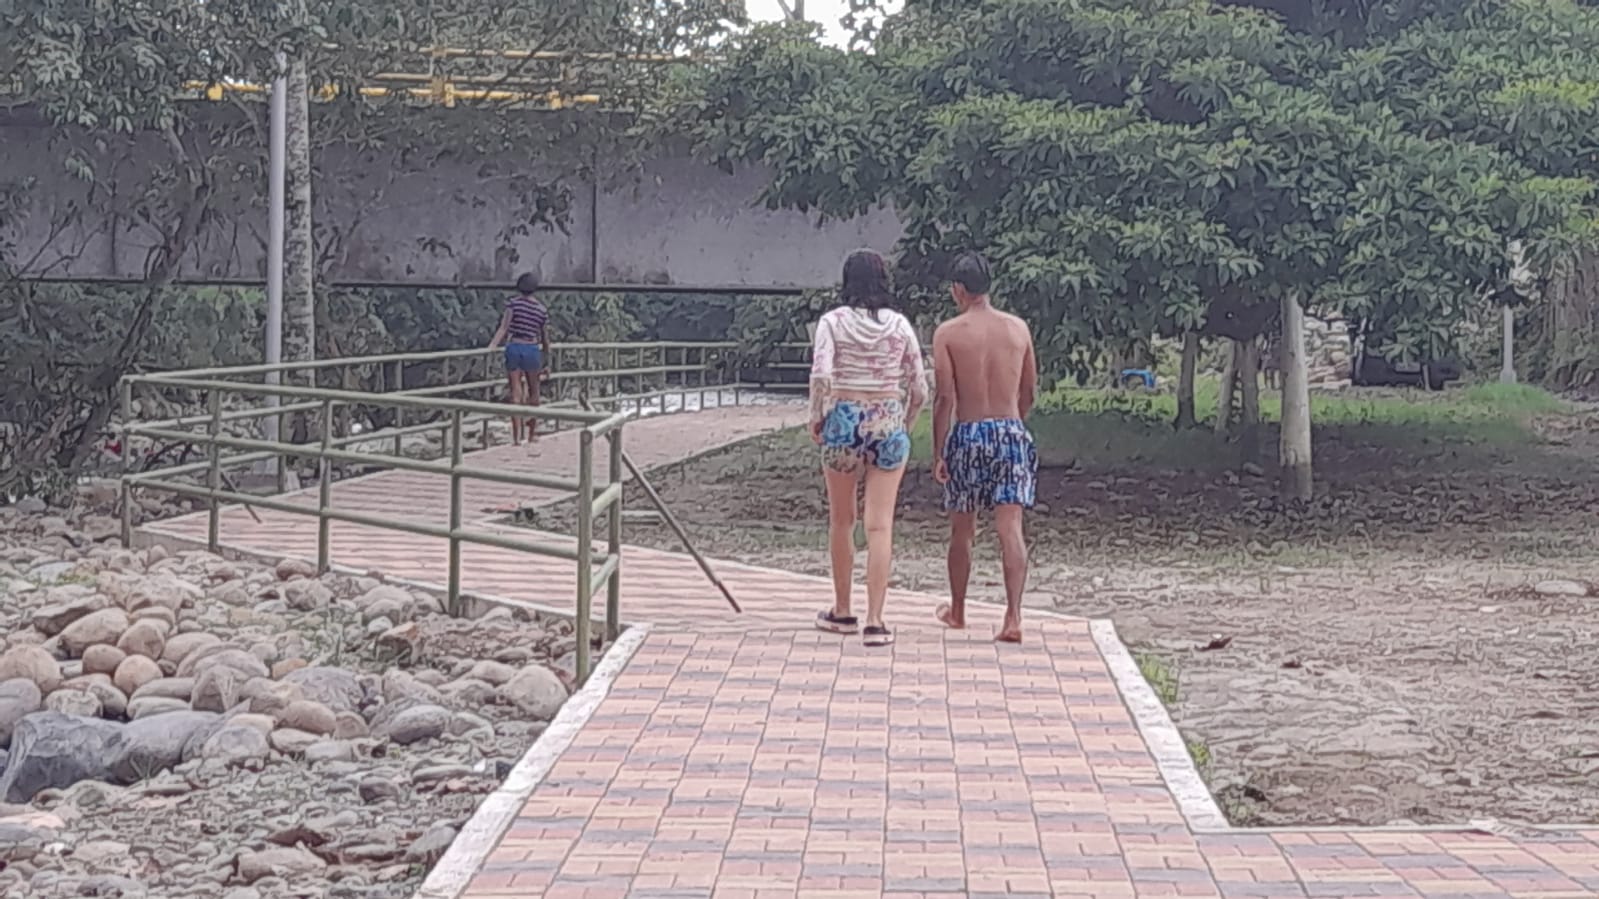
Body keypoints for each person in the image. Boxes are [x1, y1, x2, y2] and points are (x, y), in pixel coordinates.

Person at [809, 249, 928, 647]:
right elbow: (920, 388)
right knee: (880, 524)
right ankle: (876, 621)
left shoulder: (832, 322)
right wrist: (904, 424)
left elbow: (821, 374)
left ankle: (842, 610)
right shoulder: (899, 324)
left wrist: (817, 417)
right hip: (888, 418)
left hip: (844, 418)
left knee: (842, 520)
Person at [931, 251, 1038, 643]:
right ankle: (1013, 617)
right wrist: (1013, 423)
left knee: (963, 529)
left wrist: (939, 451)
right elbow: (1029, 390)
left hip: (969, 433)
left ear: (958, 290)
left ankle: (958, 610)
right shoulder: (1018, 329)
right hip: (1010, 431)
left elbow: (945, 397)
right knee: (1010, 526)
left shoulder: (948, 333)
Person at [487, 272, 551, 445]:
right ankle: (532, 434)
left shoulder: (513, 304)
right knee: (534, 391)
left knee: (515, 392)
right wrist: (547, 360)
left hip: (514, 347)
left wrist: (492, 346)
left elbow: (503, 328)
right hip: (531, 348)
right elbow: (545, 338)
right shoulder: (541, 310)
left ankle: (516, 437)